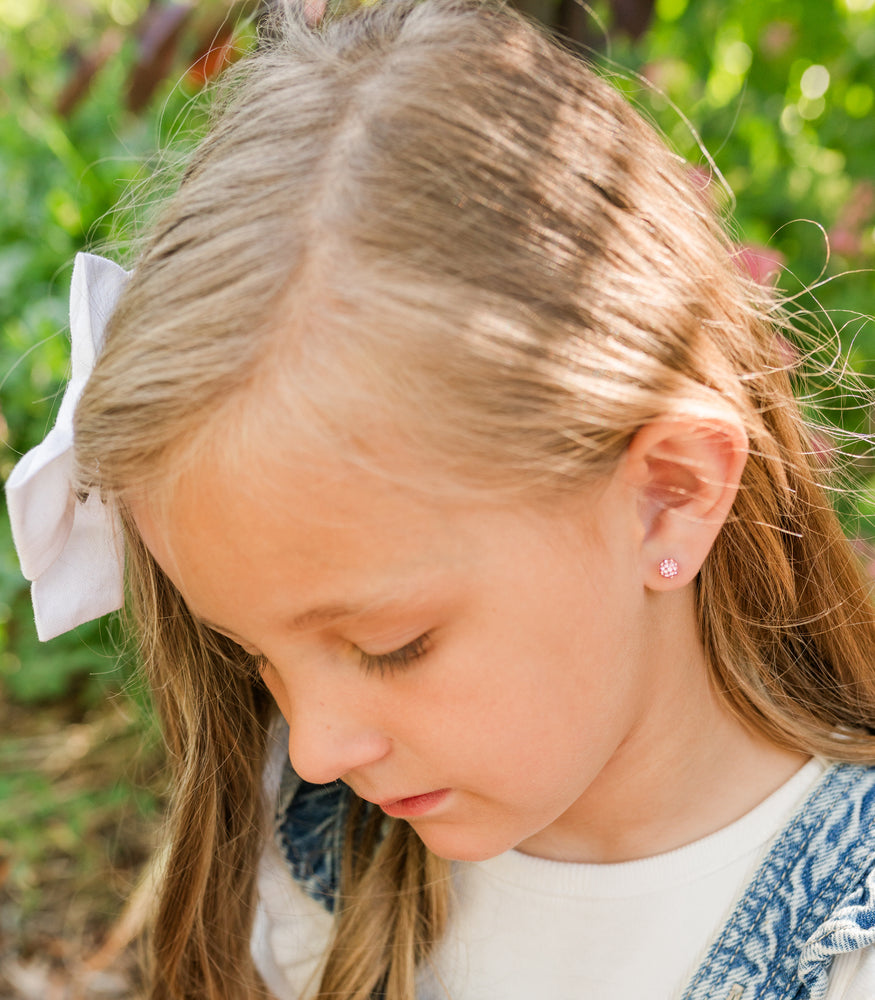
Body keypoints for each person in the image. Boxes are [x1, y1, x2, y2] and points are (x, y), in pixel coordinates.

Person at [7, 0, 875, 997]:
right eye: (257, 657)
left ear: (666, 494)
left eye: (391, 645)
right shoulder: (314, 861)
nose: (321, 747)